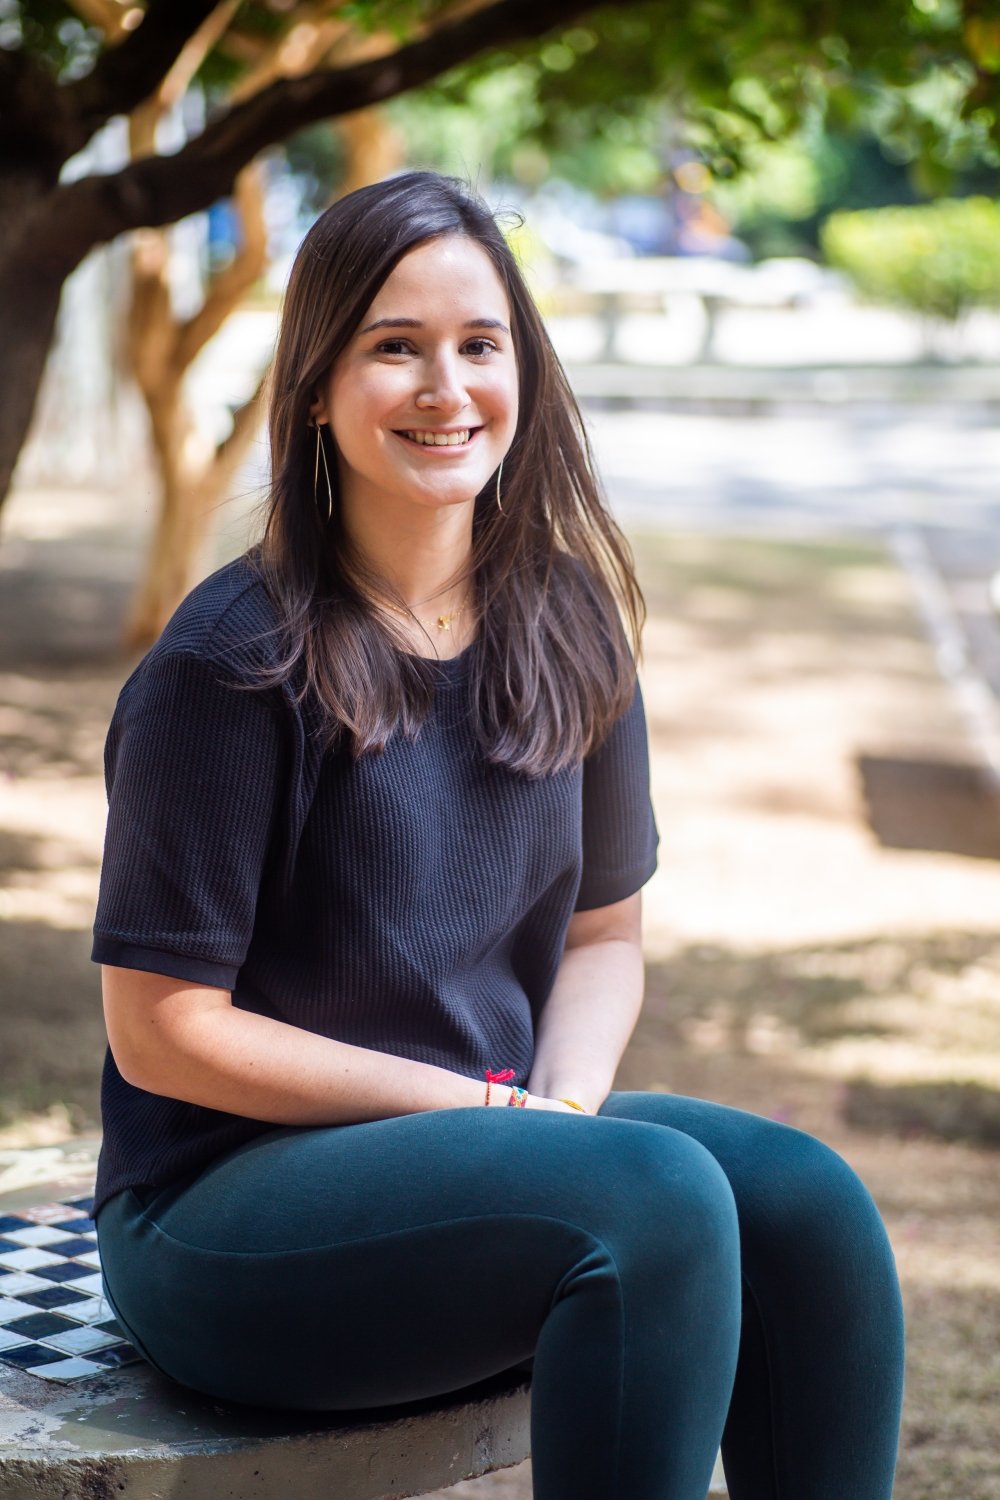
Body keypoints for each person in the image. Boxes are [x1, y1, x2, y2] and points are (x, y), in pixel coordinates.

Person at [92, 171, 904, 1500]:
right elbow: (164, 1031)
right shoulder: (230, 662)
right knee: (653, 1198)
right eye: (394, 348)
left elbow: (603, 938)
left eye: (480, 344)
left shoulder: (566, 622)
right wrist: (497, 1117)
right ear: (316, 386)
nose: (446, 388)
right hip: (226, 1211)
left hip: (489, 1142)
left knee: (805, 1203)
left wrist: (561, 1114)